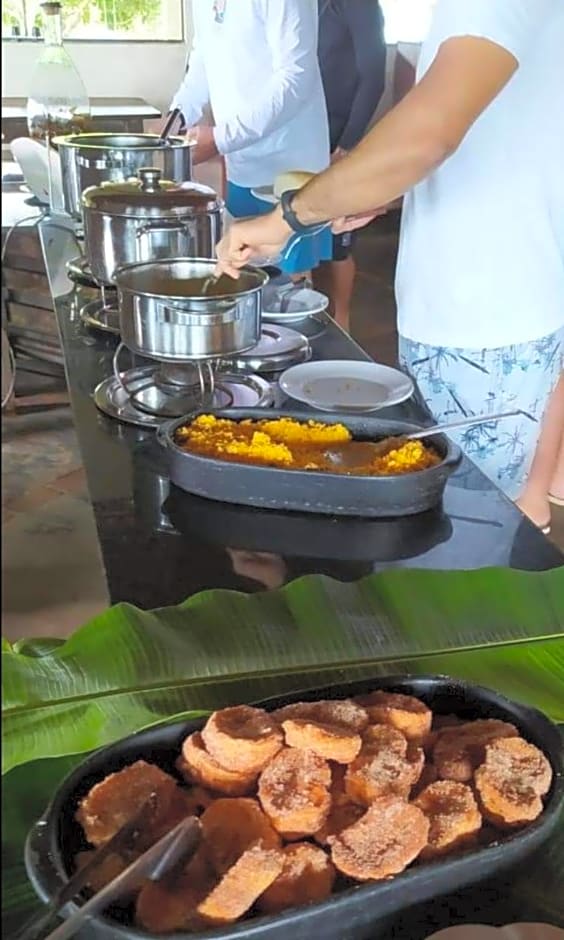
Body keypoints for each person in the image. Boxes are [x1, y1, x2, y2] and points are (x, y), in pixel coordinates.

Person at [215, 0, 564, 533]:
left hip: (485, 320)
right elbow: (497, 135)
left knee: (466, 534)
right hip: (481, 308)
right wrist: (383, 186)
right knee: (477, 515)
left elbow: (428, 134)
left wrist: (285, 219)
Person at [168, 0, 332, 278]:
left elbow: (295, 78)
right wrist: (175, 121)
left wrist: (221, 139)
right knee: (242, 275)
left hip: (291, 171)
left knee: (288, 292)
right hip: (241, 164)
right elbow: (202, 61)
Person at [314, 0, 387, 329]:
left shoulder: (359, 5)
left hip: (338, 136)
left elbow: (373, 77)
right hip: (298, 135)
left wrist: (347, 144)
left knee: (339, 241)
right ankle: (309, 317)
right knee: (300, 232)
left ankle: (342, 319)